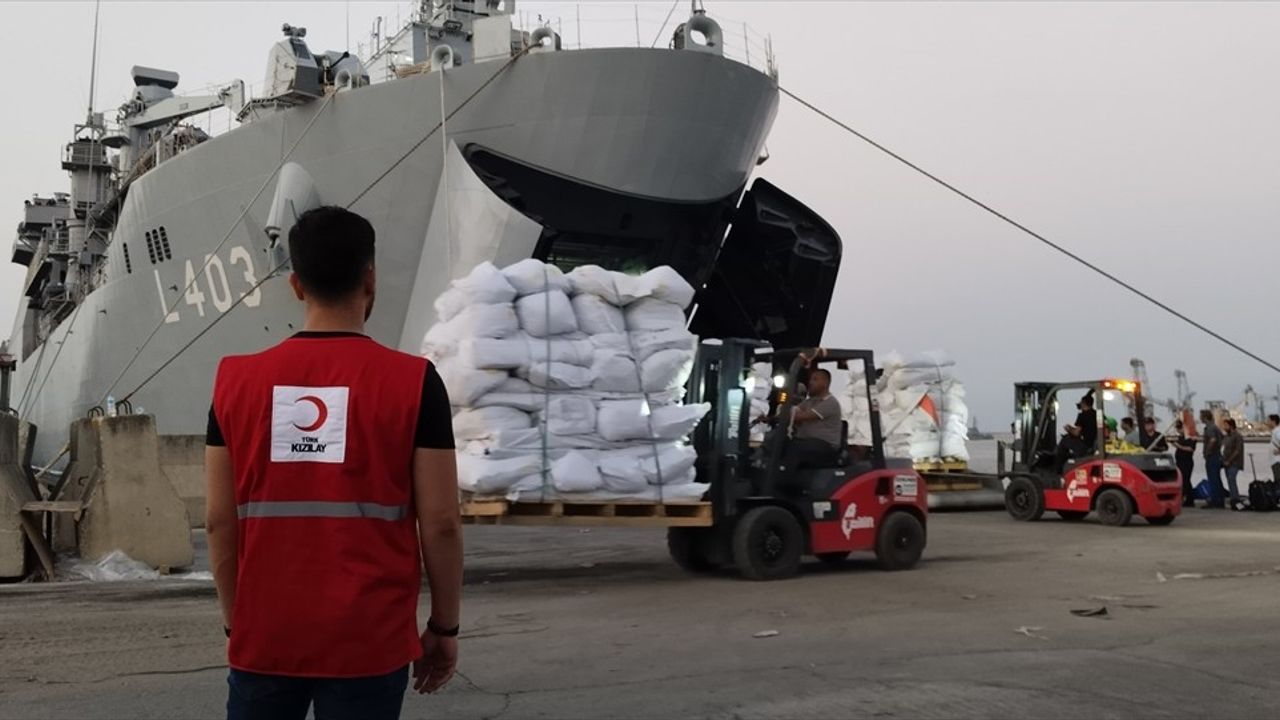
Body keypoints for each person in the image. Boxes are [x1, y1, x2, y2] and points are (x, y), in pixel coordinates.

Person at [205, 206, 463, 720]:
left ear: (296, 285)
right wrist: (444, 627)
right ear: (370, 278)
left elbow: (217, 521)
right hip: (369, 638)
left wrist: (239, 621)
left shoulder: (235, 382)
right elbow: (441, 523)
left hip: (267, 633)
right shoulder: (414, 383)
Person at [781, 367, 843, 473]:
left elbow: (801, 416)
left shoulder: (830, 403)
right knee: (777, 439)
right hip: (808, 442)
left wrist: (787, 412)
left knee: (796, 447)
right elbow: (794, 412)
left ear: (825, 383)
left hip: (825, 445)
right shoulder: (810, 401)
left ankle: (782, 477)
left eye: (815, 379)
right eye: (810, 379)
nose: (810, 383)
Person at [1201, 409, 1225, 509]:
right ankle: (1220, 499)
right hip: (1217, 455)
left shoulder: (1210, 428)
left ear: (1205, 417)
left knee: (1213, 479)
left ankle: (1215, 500)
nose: (1200, 418)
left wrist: (1208, 452)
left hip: (1213, 457)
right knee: (1217, 478)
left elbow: (1213, 440)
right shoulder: (1215, 427)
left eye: (1201, 416)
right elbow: (1222, 438)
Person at [1221, 417, 1246, 511]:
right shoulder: (1227, 436)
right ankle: (1233, 498)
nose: (1224, 427)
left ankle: (1235, 499)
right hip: (1226, 463)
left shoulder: (1237, 436)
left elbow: (1237, 450)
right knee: (1229, 480)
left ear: (1231, 426)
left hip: (1234, 463)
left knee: (1232, 479)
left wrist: (1229, 460)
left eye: (1225, 425)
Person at [1172, 419, 1197, 507]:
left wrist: (1179, 446)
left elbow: (1191, 449)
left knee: (1185, 480)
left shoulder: (1191, 437)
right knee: (1185, 480)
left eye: (1180, 428)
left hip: (1187, 462)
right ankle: (1189, 500)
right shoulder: (1181, 437)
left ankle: (1184, 498)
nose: (1178, 430)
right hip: (1180, 461)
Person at [1269, 414, 1280, 483]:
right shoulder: (1275, 431)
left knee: (1278, 482)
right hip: (1275, 461)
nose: (1267, 422)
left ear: (1273, 421)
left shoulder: (1277, 431)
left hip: (1277, 462)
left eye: (1269, 420)